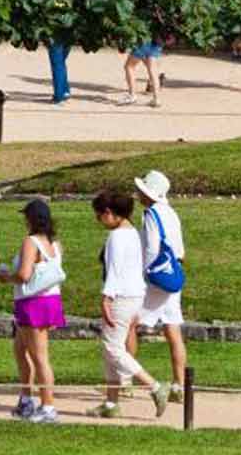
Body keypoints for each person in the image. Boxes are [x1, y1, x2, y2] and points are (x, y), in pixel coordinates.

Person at [91, 187, 168, 419]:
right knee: (110, 349)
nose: (99, 220)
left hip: (120, 297)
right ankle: (111, 403)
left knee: (113, 348)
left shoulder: (116, 236)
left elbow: (114, 271)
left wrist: (106, 298)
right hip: (134, 296)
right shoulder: (133, 233)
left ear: (109, 212)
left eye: (99, 215)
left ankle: (153, 385)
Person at [0, 197, 64, 423]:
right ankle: (26, 400)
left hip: (33, 303)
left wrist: (6, 278)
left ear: (31, 219)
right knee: (20, 350)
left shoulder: (30, 242)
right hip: (49, 300)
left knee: (39, 357)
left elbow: (24, 275)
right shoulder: (54, 244)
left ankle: (48, 407)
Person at [128, 170, 188, 398]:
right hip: (174, 272)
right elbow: (180, 248)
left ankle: (127, 381)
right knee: (172, 327)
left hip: (156, 276)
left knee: (130, 323)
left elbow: (152, 247)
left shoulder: (151, 214)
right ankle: (179, 384)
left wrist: (144, 272)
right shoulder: (171, 213)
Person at [121, 39, 161, 108]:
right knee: (153, 70)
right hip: (156, 43)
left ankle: (132, 95)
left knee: (129, 66)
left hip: (143, 42)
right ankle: (156, 99)